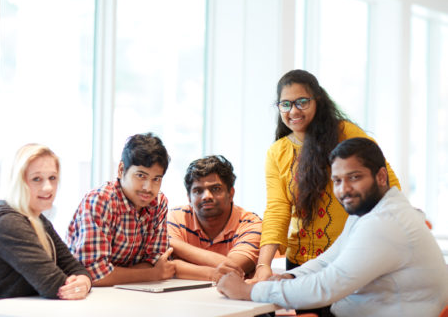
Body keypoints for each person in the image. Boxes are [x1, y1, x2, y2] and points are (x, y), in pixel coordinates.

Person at [217, 138, 448, 317]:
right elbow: (328, 261)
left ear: (381, 176)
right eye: (337, 180)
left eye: (354, 177)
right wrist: (288, 276)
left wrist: (249, 291)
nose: (344, 189)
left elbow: (327, 286)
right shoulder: (368, 212)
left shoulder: (386, 222)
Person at [253, 69, 400, 283]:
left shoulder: (345, 133)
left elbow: (387, 183)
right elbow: (277, 209)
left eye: (302, 102)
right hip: (300, 263)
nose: (293, 111)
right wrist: (263, 265)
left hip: (351, 256)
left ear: (318, 101)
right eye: (285, 104)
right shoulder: (277, 152)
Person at [0, 144, 92, 304]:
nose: (48, 187)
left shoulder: (38, 219)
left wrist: (83, 282)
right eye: (37, 179)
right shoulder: (8, 224)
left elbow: (75, 268)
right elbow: (54, 286)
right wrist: (79, 285)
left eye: (52, 178)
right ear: (18, 182)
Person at [66, 132, 175, 286]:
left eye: (156, 179)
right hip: (86, 295)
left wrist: (146, 272)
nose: (148, 188)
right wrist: (151, 274)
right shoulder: (101, 200)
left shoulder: (159, 202)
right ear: (121, 169)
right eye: (141, 176)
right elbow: (93, 274)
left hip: (133, 292)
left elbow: (157, 260)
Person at [167, 155, 262, 282]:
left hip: (232, 298)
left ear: (231, 193)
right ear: (189, 198)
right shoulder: (176, 218)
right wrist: (212, 273)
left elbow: (233, 268)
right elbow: (165, 266)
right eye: (198, 191)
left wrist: (174, 244)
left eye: (215, 189)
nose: (206, 196)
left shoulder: (251, 223)